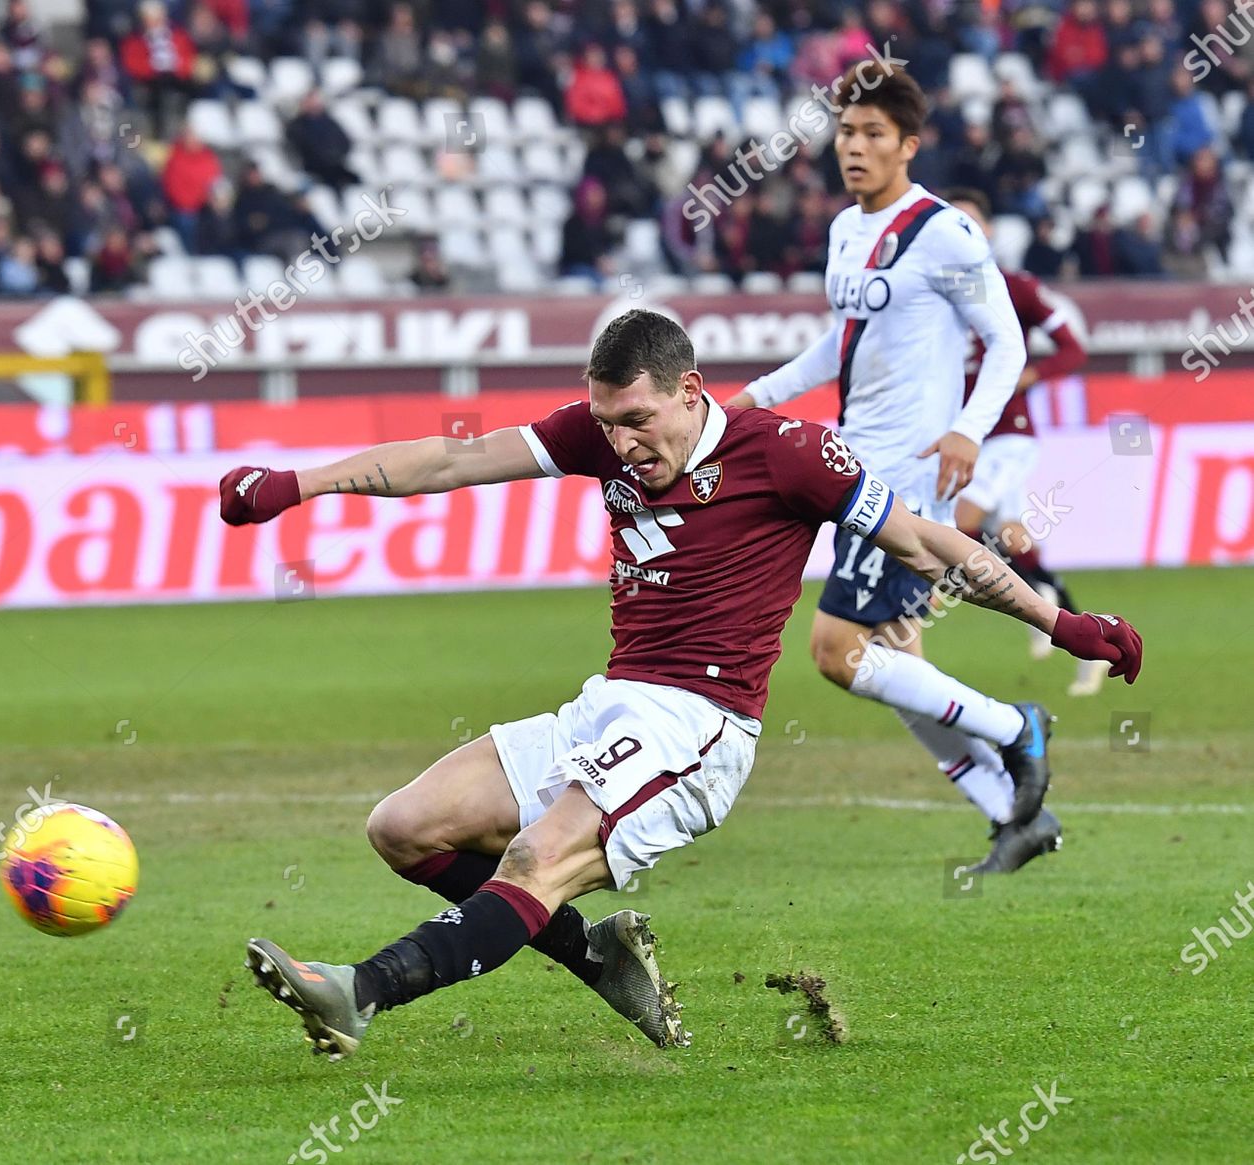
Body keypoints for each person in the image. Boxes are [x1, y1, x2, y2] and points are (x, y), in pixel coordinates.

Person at [217, 309, 1143, 1061]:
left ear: (691, 393)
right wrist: (295, 485)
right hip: (612, 699)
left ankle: (358, 990)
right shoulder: (598, 432)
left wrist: (1061, 624)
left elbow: (930, 542)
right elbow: (456, 459)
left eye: (637, 420)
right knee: (405, 827)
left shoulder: (789, 454)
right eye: (608, 423)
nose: (620, 443)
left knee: (537, 860)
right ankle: (597, 954)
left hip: (701, 726)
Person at [724, 63, 1063, 876]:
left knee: (838, 652)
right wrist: (758, 398)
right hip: (850, 468)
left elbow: (1009, 340)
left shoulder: (944, 233)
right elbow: (839, 340)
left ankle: (1019, 727)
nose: (855, 147)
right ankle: (1015, 816)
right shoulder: (846, 230)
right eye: (846, 132)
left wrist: (967, 431)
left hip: (903, 482)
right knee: (895, 662)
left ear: (908, 145)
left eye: (874, 133)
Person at [943, 188, 1104, 697]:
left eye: (971, 222)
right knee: (1013, 541)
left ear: (988, 230)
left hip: (1008, 436)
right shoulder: (934, 293)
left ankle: (1034, 601)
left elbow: (1074, 348)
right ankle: (1085, 637)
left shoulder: (1016, 288)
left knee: (962, 525)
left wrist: (1034, 374)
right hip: (963, 435)